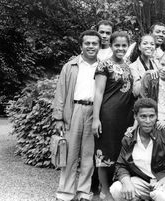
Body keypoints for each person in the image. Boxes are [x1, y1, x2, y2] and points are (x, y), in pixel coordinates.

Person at [52, 30, 100, 201]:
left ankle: (83, 193)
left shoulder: (103, 66)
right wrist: (58, 117)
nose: (91, 46)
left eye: (94, 43)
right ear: (81, 46)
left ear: (99, 46)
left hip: (94, 112)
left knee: (88, 155)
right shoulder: (70, 66)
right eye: (87, 43)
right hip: (74, 111)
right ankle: (65, 193)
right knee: (70, 154)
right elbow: (61, 92)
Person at [110, 98, 165, 201]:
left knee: (164, 197)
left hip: (164, 179)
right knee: (117, 189)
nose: (148, 121)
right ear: (135, 116)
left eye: (151, 116)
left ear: (156, 116)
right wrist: (126, 181)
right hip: (141, 180)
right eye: (143, 116)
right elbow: (121, 165)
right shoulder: (128, 139)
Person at [92, 31, 135, 201]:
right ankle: (104, 190)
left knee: (120, 151)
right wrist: (96, 118)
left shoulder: (128, 65)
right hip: (108, 115)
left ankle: (115, 186)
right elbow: (98, 92)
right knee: (105, 152)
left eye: (124, 45)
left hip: (126, 116)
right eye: (117, 45)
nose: (121, 48)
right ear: (111, 45)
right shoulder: (104, 65)